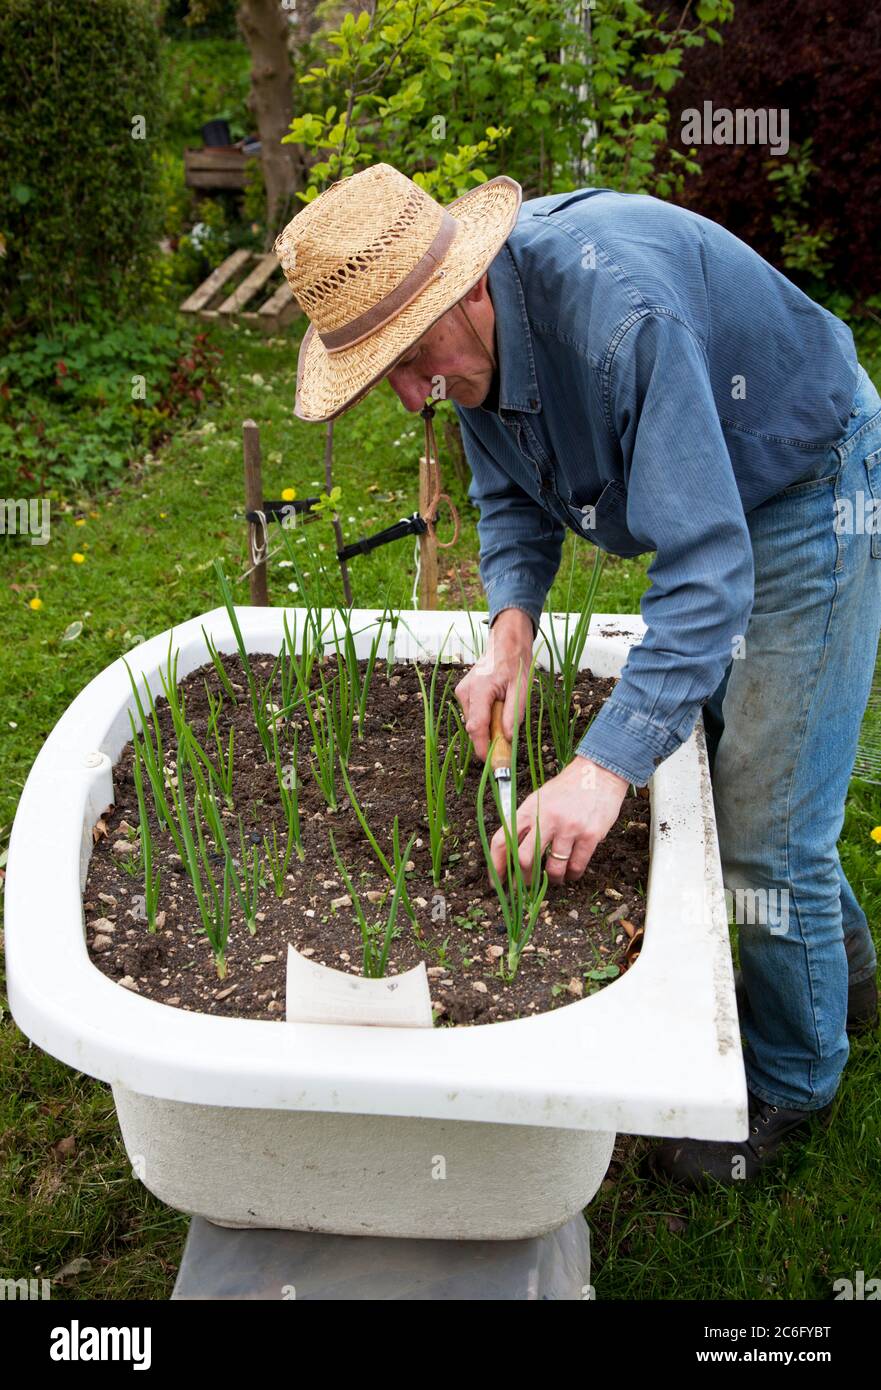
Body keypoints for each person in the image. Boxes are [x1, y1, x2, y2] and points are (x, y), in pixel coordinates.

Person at [273, 162, 880, 1187]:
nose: (416, 394)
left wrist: (603, 768)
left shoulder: (616, 320)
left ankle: (790, 1081)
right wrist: (509, 628)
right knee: (759, 789)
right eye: (391, 380)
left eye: (415, 360)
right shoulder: (467, 342)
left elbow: (703, 570)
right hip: (722, 496)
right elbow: (506, 488)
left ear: (465, 286)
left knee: (765, 819)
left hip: (796, 477)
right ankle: (848, 983)